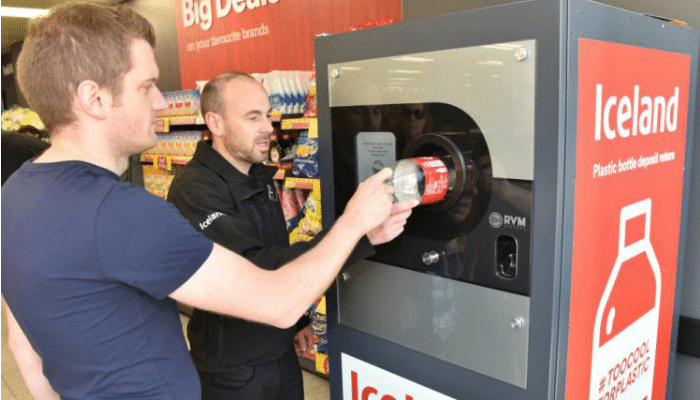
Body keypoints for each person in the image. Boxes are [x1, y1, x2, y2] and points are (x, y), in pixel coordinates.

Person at [0, 3, 413, 399]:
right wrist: (355, 221)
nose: (161, 102)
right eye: (146, 87)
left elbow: (23, 347)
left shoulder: (14, 194)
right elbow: (278, 302)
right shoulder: (122, 212)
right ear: (95, 99)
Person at [167, 72, 414, 400]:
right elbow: (257, 269)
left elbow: (278, 253)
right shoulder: (194, 190)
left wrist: (298, 320)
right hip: (233, 370)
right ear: (215, 122)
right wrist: (356, 229)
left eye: (267, 114)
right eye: (253, 117)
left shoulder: (260, 176)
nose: (268, 127)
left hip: (281, 352)